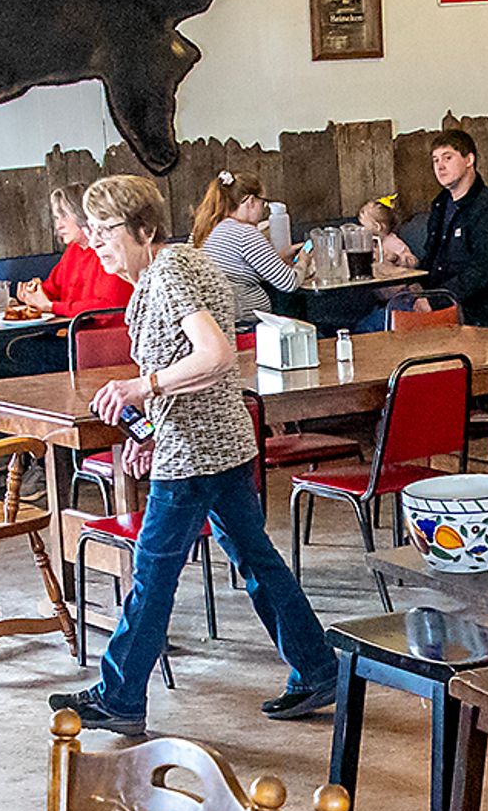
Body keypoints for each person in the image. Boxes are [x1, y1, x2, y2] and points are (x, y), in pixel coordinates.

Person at [51, 174, 338, 733]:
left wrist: (142, 388)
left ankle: (120, 696)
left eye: (106, 230)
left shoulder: (174, 270)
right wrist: (152, 432)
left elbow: (214, 355)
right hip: (213, 444)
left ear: (143, 228)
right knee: (257, 561)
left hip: (197, 455)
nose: (97, 242)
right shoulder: (172, 269)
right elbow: (195, 366)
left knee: (154, 571)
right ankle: (318, 667)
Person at [373, 129, 488, 328]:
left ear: (469, 160)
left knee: (373, 326)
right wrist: (409, 277)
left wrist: (433, 301)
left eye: (447, 158)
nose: (440, 167)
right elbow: (433, 259)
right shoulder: (441, 204)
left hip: (473, 312)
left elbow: (484, 272)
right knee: (370, 312)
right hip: (437, 298)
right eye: (435, 160)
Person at [198, 170, 301, 303]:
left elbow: (240, 273)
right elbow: (289, 282)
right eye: (262, 202)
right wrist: (304, 260)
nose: (263, 209)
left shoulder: (213, 227)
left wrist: (278, 259)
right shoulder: (245, 233)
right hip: (245, 319)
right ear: (251, 201)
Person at [38, 184, 133, 320]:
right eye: (56, 218)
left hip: (103, 335)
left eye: (64, 215)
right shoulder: (74, 249)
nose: (58, 225)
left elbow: (109, 307)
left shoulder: (108, 251)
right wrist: (32, 293)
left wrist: (51, 307)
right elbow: (52, 289)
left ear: (83, 214)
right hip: (72, 331)